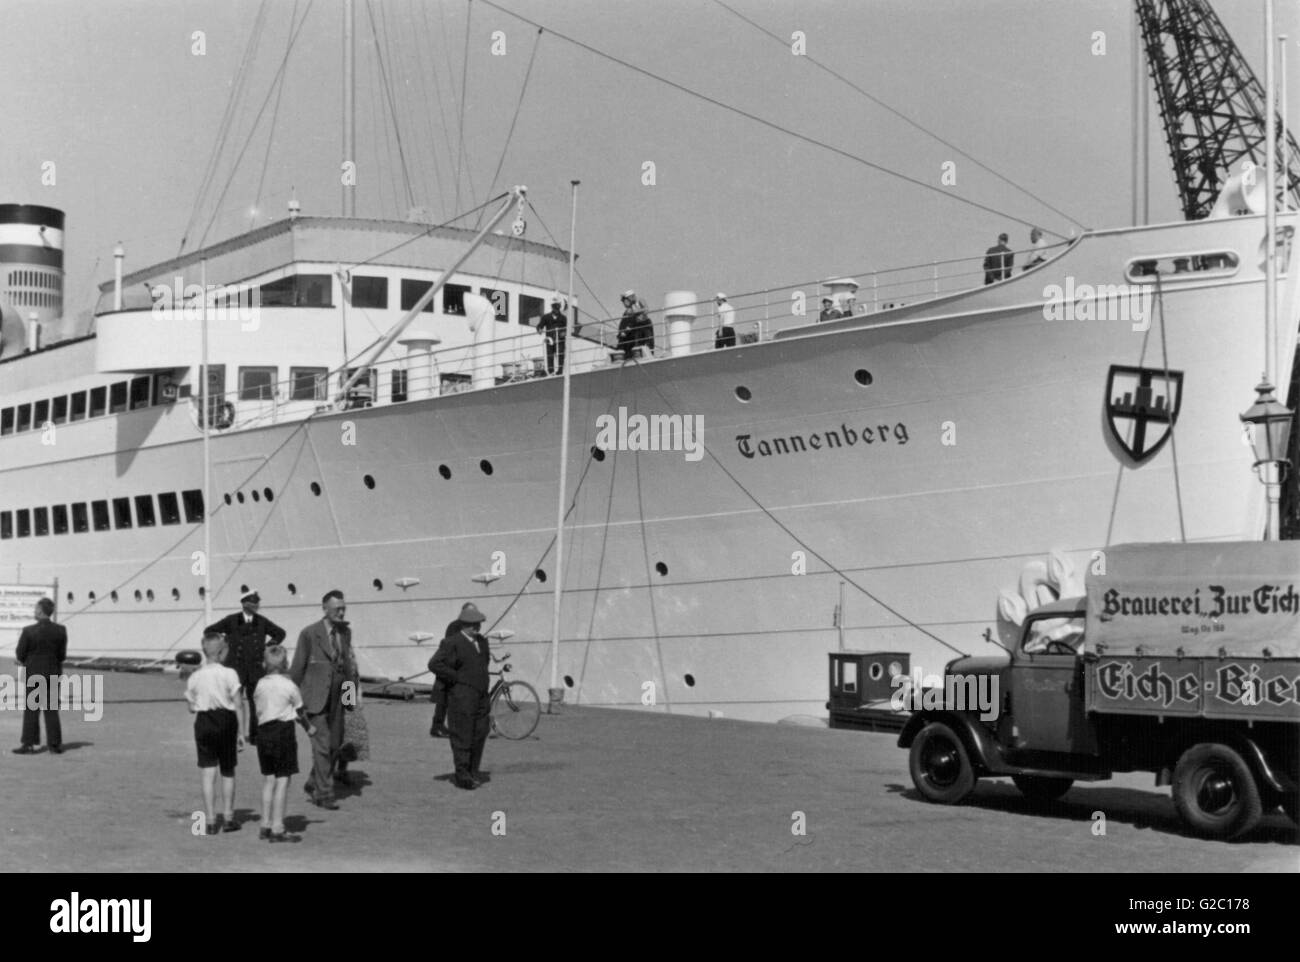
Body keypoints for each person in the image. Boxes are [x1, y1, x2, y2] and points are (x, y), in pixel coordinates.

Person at [289, 589, 358, 811]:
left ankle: (313, 781)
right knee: (322, 744)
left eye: (343, 608)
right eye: (337, 608)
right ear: (325, 608)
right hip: (315, 698)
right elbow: (297, 668)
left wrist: (349, 701)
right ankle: (324, 793)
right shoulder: (309, 634)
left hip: (338, 698)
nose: (341, 612)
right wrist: (291, 698)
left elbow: (347, 667)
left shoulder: (345, 633)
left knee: (335, 745)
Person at [185, 631, 247, 834]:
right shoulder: (230, 674)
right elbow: (238, 704)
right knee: (228, 771)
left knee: (207, 772)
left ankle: (210, 821)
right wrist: (242, 732)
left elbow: (191, 708)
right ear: (222, 652)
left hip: (204, 722)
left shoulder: (195, 676)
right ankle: (228, 818)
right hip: (226, 721)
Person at [205, 589, 286, 743]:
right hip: (235, 668)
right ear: (244, 604)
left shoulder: (261, 621)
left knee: (256, 702)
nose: (255, 605)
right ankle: (231, 734)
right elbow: (209, 631)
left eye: (256, 603)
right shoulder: (231, 620)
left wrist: (268, 646)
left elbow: (280, 633)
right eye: (252, 603)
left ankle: (255, 735)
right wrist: (223, 643)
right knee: (232, 702)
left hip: (255, 669)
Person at [253, 645, 315, 842]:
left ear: (264, 664)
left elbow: (259, 709)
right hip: (283, 733)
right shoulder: (290, 686)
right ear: (286, 664)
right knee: (282, 780)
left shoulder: (260, 685)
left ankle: (265, 823)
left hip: (263, 733)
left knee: (268, 780)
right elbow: (300, 711)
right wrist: (309, 728)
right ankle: (278, 827)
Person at [429, 604, 492, 790]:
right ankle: (462, 775)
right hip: (462, 696)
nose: (476, 628)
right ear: (463, 624)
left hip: (481, 695)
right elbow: (434, 664)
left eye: (478, 624)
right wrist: (456, 678)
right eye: (472, 625)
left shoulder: (482, 642)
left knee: (480, 732)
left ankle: (473, 770)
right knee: (462, 735)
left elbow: (484, 663)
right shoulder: (452, 643)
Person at [13, 597, 67, 755]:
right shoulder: (60, 630)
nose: (34, 611)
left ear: (40, 611)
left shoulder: (28, 631)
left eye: (36, 609)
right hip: (53, 673)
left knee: (31, 710)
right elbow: (62, 655)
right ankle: (54, 745)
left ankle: (29, 745)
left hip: (34, 674)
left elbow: (20, 653)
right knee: (51, 710)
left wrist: (23, 660)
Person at [431, 603, 478, 738]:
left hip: (458, 667)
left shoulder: (469, 627)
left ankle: (444, 726)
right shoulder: (454, 626)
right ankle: (437, 727)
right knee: (444, 699)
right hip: (450, 667)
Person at [617, 290, 654, 360]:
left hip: (645, 323)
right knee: (637, 342)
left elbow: (646, 309)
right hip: (638, 325)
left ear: (631, 297)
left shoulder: (640, 300)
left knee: (648, 340)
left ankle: (650, 355)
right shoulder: (631, 307)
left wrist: (635, 312)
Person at [536, 297, 568, 375]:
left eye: (557, 306)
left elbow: (566, 329)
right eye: (554, 306)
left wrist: (564, 333)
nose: (556, 308)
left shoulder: (563, 318)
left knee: (560, 355)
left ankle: (560, 371)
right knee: (550, 356)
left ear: (560, 307)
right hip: (549, 340)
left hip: (560, 340)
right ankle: (551, 372)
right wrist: (539, 329)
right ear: (552, 307)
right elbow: (540, 326)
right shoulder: (546, 317)